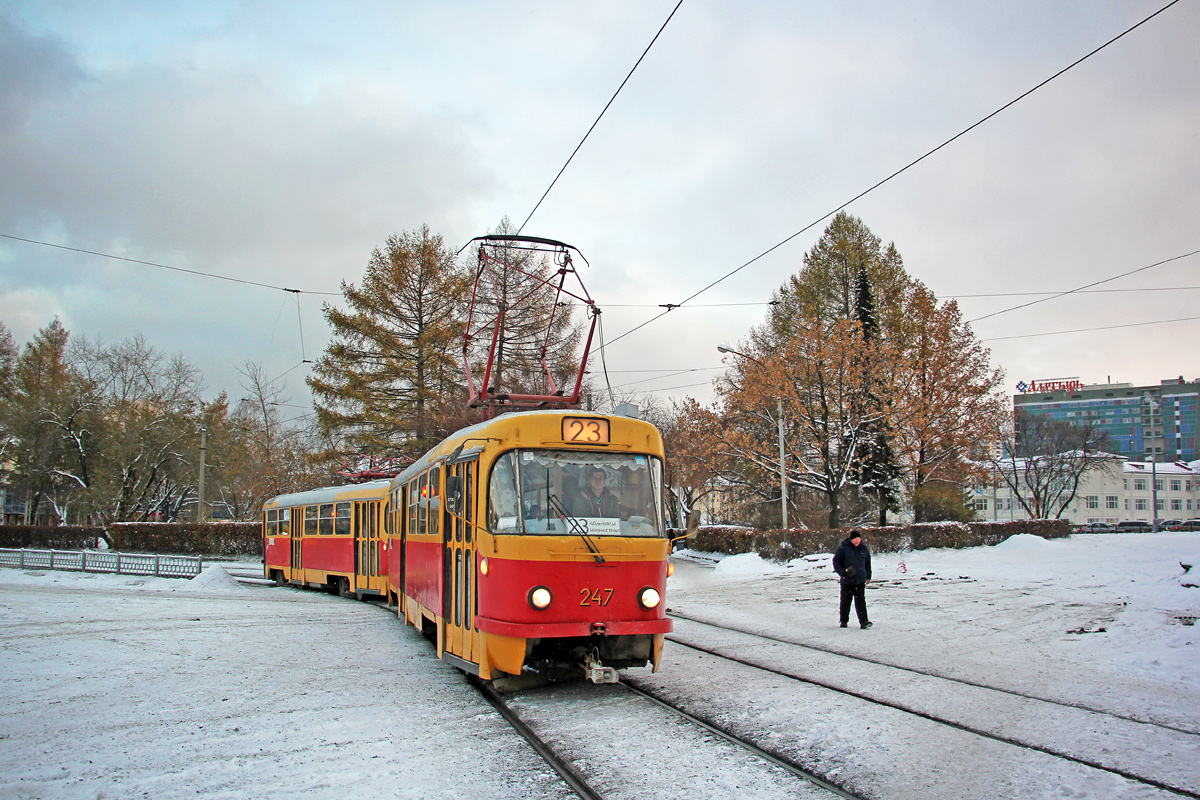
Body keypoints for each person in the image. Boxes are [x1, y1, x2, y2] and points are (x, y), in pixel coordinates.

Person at [833, 530, 872, 629]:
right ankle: (844, 621)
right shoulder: (844, 548)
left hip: (860, 580)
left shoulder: (863, 549)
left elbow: (868, 562)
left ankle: (864, 622)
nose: (857, 541)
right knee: (846, 601)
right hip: (847, 580)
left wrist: (868, 576)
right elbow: (836, 561)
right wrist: (843, 573)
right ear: (851, 539)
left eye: (858, 539)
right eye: (855, 539)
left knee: (861, 601)